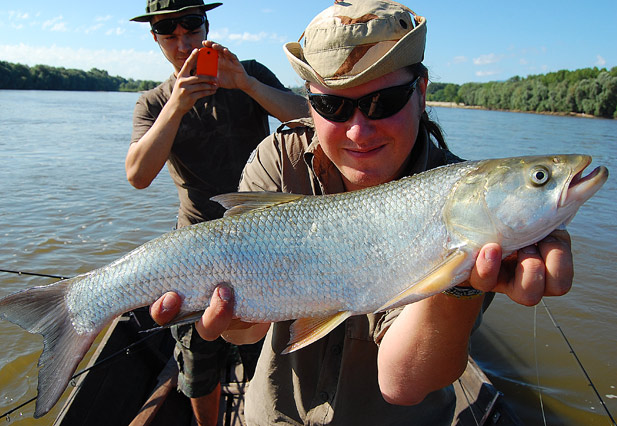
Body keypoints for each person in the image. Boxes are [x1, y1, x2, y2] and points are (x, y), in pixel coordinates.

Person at [150, 1, 574, 424]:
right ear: (309, 103)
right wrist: (229, 316)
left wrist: (462, 284)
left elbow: (402, 383)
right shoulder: (280, 158)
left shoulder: (453, 198)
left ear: (421, 91)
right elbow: (242, 332)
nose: (358, 130)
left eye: (382, 102)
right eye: (332, 107)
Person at [127, 1, 308, 424]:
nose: (182, 42)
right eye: (168, 34)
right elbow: (137, 175)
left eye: (191, 28)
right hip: (194, 250)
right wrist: (177, 104)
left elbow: (312, 121)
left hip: (266, 242)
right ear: (155, 39)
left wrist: (245, 84)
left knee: (272, 346)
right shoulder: (154, 103)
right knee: (198, 359)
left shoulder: (249, 74)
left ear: (206, 26)